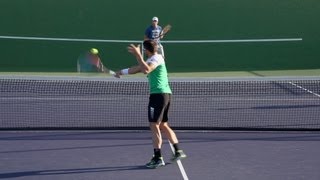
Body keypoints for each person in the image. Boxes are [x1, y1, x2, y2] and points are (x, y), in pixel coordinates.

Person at [115, 40, 186, 169]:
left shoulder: (156, 58)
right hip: (165, 95)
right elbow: (136, 69)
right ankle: (178, 150)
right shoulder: (153, 58)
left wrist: (137, 55)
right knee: (163, 125)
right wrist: (120, 72)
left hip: (158, 95)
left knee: (154, 126)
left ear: (146, 50)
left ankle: (158, 158)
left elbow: (146, 70)